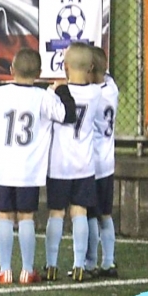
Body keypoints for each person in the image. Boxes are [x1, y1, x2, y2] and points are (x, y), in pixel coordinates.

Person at [0, 48, 76, 285]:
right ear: (39, 73)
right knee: (26, 217)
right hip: (29, 171)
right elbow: (68, 115)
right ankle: (27, 270)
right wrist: (62, 89)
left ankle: (5, 271)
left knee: (4, 216)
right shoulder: (44, 97)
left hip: (3, 168)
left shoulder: (0, 94)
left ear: (11, 70)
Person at [44, 43, 103, 282]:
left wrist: (58, 88)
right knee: (80, 212)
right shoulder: (96, 93)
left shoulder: (54, 93)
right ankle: (79, 264)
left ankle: (51, 264)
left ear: (65, 66)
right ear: (90, 67)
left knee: (56, 213)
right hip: (84, 164)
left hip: (59, 164)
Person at [85, 47, 119, 278]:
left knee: (89, 215)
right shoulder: (112, 87)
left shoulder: (92, 95)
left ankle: (90, 262)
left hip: (91, 164)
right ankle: (109, 261)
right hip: (108, 164)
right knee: (105, 214)